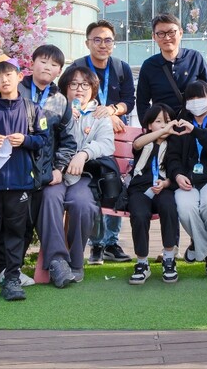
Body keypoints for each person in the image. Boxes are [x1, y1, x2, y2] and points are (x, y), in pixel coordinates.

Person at [0, 56, 49, 302]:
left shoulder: (33, 109)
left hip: (21, 182)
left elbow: (43, 140)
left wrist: (25, 140)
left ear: (19, 76)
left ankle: (12, 277)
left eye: (8, 74)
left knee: (16, 231)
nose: (4, 80)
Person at [37, 65, 114, 288]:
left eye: (85, 85)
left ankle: (76, 261)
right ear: (65, 88)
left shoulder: (99, 115)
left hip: (85, 175)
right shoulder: (54, 110)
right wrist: (67, 118)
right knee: (49, 198)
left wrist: (84, 154)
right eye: (73, 84)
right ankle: (57, 261)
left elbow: (106, 143)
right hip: (56, 173)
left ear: (93, 89)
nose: (79, 89)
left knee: (82, 204)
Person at [70, 20, 135, 265]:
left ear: (113, 43)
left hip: (114, 133)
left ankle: (111, 242)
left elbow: (129, 100)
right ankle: (96, 244)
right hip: (85, 132)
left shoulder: (121, 67)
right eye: (97, 40)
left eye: (108, 40)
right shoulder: (77, 67)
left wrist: (113, 111)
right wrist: (101, 114)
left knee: (112, 183)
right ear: (87, 42)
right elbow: (69, 96)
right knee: (92, 187)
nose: (102, 45)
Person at [13, 45, 77, 286]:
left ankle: (58, 264)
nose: (47, 67)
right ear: (32, 63)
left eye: (54, 64)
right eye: (43, 61)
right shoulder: (15, 89)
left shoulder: (61, 101)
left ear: (59, 71)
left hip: (44, 173)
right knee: (18, 221)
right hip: (13, 171)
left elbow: (68, 141)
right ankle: (8, 269)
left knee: (41, 211)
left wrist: (59, 168)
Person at [167, 81, 207, 277]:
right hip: (187, 181)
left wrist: (196, 131)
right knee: (185, 208)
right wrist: (177, 175)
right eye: (191, 98)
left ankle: (197, 243)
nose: (195, 102)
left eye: (199, 97)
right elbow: (172, 157)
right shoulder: (179, 126)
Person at [135, 13, 207, 121]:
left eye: (171, 32)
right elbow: (142, 102)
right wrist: (147, 124)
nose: (167, 37)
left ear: (181, 33)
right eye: (161, 33)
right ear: (154, 37)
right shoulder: (148, 66)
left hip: (195, 123)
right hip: (166, 126)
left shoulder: (194, 58)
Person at [128, 104, 181, 285]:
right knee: (139, 214)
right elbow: (136, 144)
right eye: (158, 121)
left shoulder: (174, 144)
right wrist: (161, 132)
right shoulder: (143, 140)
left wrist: (165, 183)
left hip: (164, 188)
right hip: (139, 189)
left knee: (169, 207)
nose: (164, 125)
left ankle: (169, 258)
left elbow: (177, 170)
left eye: (167, 121)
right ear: (149, 125)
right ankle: (142, 262)